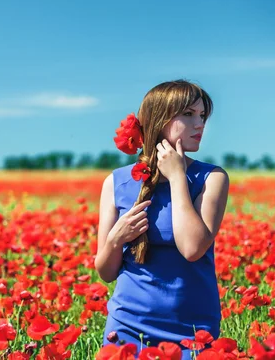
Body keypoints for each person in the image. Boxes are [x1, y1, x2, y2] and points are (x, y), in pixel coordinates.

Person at [95, 80, 230, 360]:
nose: (200, 124)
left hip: (193, 330)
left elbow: (192, 248)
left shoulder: (211, 178)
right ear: (160, 118)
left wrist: (178, 176)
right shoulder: (116, 182)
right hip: (127, 325)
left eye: (202, 116)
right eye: (189, 115)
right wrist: (115, 239)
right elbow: (105, 272)